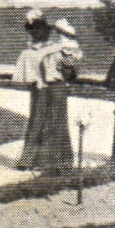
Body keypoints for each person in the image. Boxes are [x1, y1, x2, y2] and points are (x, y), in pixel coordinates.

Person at [13, 10, 77, 176]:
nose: (37, 34)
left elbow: (71, 71)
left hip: (48, 89)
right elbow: (71, 72)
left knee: (46, 121)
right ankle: (45, 160)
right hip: (48, 88)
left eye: (39, 30)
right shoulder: (46, 50)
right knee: (47, 121)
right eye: (34, 30)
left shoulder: (53, 49)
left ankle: (44, 160)